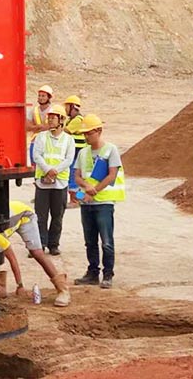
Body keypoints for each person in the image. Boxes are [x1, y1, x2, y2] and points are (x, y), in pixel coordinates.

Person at [74, 113, 126, 289]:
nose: (86, 136)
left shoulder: (110, 150)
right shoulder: (83, 153)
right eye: (84, 133)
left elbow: (112, 175)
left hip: (104, 203)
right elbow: (77, 176)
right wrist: (85, 190)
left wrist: (93, 190)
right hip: (87, 203)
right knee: (90, 241)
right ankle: (93, 272)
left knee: (106, 241)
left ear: (98, 131)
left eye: (88, 133)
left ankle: (108, 274)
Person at [0, 200, 70, 307]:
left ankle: (63, 289)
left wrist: (20, 285)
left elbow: (12, 259)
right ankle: (0, 290)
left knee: (36, 253)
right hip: (7, 219)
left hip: (25, 215)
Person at [32, 104, 75, 256]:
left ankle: (53, 244)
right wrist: (48, 170)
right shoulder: (41, 137)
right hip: (43, 183)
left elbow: (69, 159)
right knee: (40, 216)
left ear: (61, 120)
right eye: (49, 117)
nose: (50, 120)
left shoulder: (68, 140)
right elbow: (37, 156)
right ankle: (40, 244)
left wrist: (56, 170)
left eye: (53, 117)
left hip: (60, 183)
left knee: (57, 216)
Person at [64, 95, 87, 205]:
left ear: (72, 106)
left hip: (77, 151)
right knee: (76, 175)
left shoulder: (77, 120)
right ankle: (79, 198)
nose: (65, 109)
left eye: (67, 106)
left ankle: (75, 200)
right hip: (75, 151)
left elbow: (66, 131)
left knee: (73, 175)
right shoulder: (71, 120)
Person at [26, 85, 54, 164]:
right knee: (34, 164)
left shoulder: (52, 110)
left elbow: (52, 126)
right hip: (35, 142)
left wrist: (35, 127)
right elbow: (27, 126)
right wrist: (38, 127)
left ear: (49, 97)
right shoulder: (34, 110)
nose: (41, 98)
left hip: (48, 142)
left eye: (43, 96)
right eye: (39, 96)